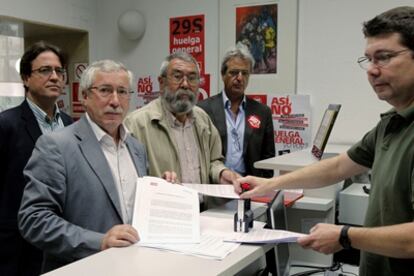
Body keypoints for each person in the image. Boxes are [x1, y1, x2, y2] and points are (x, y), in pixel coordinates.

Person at [234, 6, 414, 276]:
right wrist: (271, 183)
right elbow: (338, 167)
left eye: (384, 58)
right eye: (368, 60)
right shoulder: (391, 123)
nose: (372, 71)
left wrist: (345, 236)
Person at [18, 60, 175, 273]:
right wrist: (99, 241)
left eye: (122, 91)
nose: (115, 101)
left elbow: (130, 208)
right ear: (84, 96)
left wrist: (159, 191)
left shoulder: (136, 148)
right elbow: (33, 219)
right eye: (104, 90)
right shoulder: (56, 146)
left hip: (133, 266)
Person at [124, 52, 238, 208]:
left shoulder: (203, 119)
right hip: (165, 216)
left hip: (203, 212)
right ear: (162, 82)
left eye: (192, 78)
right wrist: (158, 184)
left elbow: (213, 161)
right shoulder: (137, 124)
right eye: (177, 77)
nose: (185, 84)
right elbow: (129, 181)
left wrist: (222, 173)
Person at [0, 41, 73, 276]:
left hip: (66, 238)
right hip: (18, 245)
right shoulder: (6, 125)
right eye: (45, 70)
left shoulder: (71, 125)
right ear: (25, 78)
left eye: (59, 71)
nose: (54, 77)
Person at [198, 44, 274, 178]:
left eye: (245, 73)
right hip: (215, 186)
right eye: (234, 72)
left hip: (249, 188)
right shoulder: (203, 110)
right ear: (223, 74)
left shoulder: (262, 112)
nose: (239, 78)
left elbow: (268, 160)